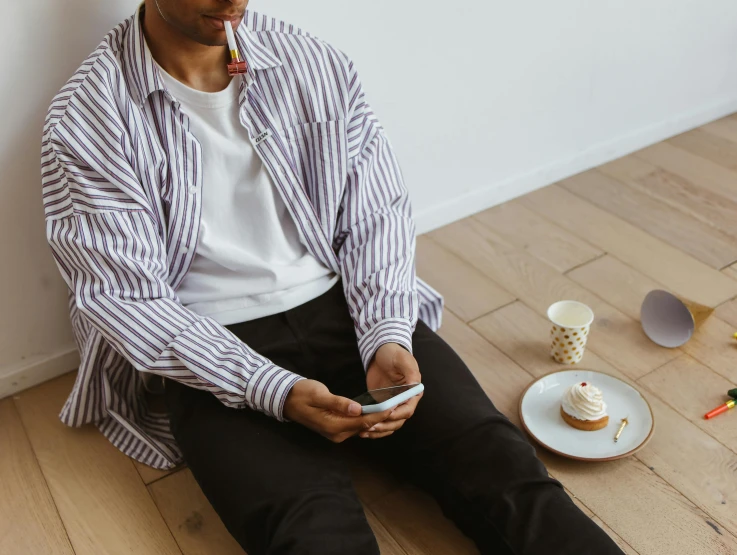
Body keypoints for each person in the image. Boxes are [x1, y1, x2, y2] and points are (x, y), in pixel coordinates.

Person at [41, 1, 625, 553]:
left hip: (344, 306)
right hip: (209, 350)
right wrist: (272, 390)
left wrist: (389, 334)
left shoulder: (310, 63)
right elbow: (129, 300)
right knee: (311, 534)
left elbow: (377, 212)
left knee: (504, 468)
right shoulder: (88, 116)